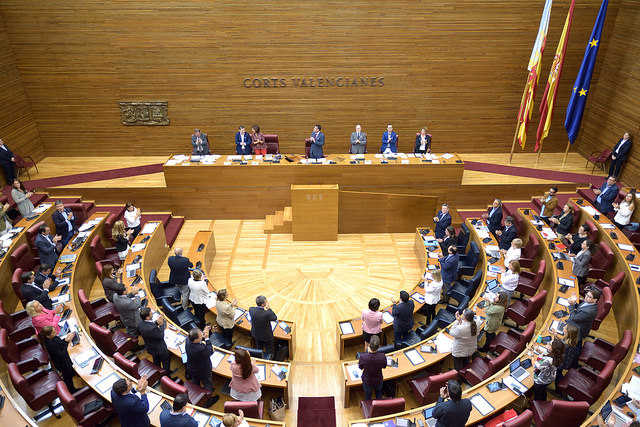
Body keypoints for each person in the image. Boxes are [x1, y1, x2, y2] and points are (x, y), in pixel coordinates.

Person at [186, 327, 220, 403]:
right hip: (202, 370)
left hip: (191, 367)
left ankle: (197, 391)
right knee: (208, 383)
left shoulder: (188, 340)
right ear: (196, 339)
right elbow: (210, 351)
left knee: (195, 381)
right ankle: (208, 399)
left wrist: (202, 335)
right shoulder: (200, 349)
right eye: (201, 336)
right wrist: (207, 338)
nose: (202, 336)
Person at [40, 326, 78, 393]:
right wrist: (67, 342)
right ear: (48, 335)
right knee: (68, 378)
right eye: (54, 332)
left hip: (62, 358)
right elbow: (61, 354)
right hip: (61, 364)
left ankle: (73, 373)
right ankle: (72, 391)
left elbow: (60, 344)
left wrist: (66, 339)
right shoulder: (50, 344)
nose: (56, 332)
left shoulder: (54, 337)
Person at [138, 307, 172, 371]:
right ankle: (166, 375)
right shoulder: (152, 328)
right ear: (147, 317)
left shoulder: (140, 324)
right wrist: (161, 325)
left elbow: (150, 326)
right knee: (166, 363)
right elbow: (161, 335)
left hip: (151, 347)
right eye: (151, 314)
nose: (152, 314)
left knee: (156, 362)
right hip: (160, 349)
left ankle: (158, 372)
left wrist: (157, 322)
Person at [358, 335, 386, 400]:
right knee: (378, 393)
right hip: (378, 379)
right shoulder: (382, 356)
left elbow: (360, 367)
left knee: (368, 395)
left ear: (369, 345)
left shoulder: (363, 357)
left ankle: (369, 408)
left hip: (367, 380)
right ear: (379, 346)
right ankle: (379, 407)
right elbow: (384, 366)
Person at [555, 323, 580, 390]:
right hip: (567, 361)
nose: (563, 328)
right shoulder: (573, 340)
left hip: (561, 363)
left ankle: (558, 389)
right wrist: (556, 336)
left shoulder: (566, 346)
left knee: (558, 374)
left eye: (564, 328)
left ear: (568, 333)